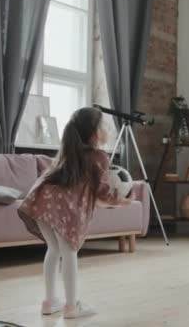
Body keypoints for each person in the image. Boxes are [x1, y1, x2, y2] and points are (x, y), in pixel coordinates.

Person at [18, 107, 130, 319]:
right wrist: (121, 201)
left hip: (41, 200)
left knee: (53, 249)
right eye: (104, 127)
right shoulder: (98, 157)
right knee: (69, 252)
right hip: (64, 207)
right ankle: (71, 306)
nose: (107, 130)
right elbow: (103, 191)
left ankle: (50, 301)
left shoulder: (68, 153)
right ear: (94, 133)